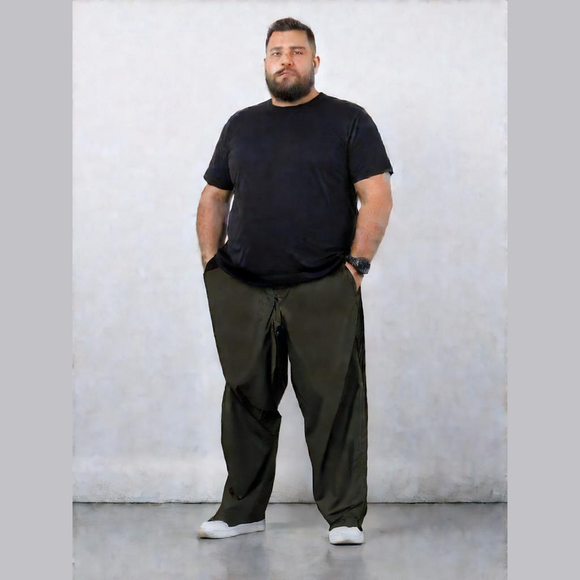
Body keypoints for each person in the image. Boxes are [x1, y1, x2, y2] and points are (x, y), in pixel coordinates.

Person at [196, 17, 394, 545]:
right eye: (277, 52)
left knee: (334, 402)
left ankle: (344, 517)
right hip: (243, 287)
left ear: (315, 61)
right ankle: (242, 510)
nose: (286, 59)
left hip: (322, 286)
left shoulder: (349, 120)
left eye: (297, 51)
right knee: (245, 400)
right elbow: (214, 196)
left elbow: (376, 196)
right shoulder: (241, 125)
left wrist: (356, 267)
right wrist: (212, 267)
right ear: (265, 62)